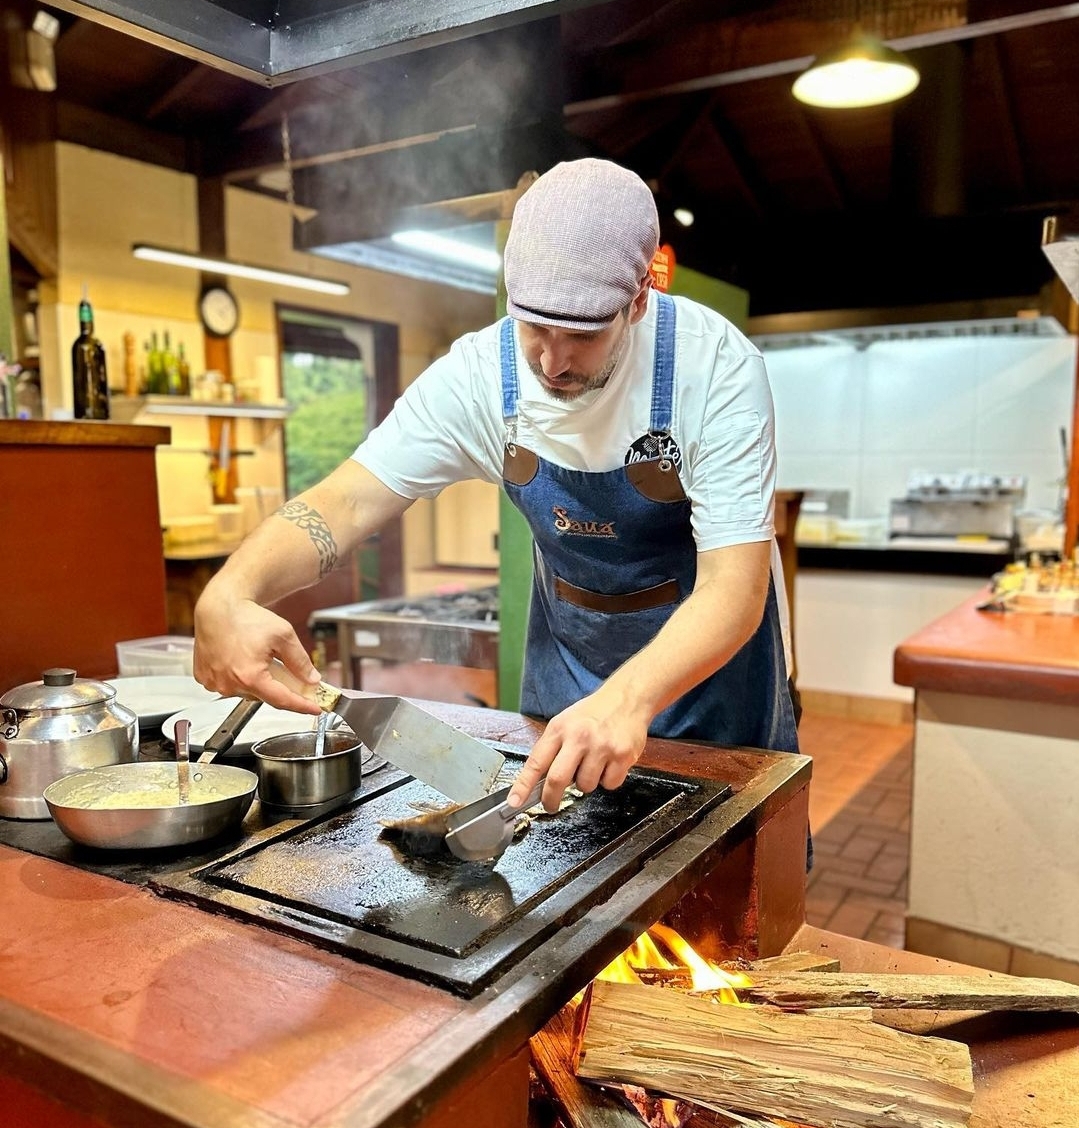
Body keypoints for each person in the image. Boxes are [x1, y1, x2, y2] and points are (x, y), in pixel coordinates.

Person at [193, 157, 801, 819]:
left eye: (582, 335)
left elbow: (733, 588)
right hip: (567, 662)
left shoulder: (712, 368)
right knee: (565, 861)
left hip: (707, 674)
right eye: (535, 326)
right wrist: (230, 591)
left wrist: (627, 700)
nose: (552, 360)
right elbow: (347, 501)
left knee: (719, 873)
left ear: (636, 302)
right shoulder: (479, 374)